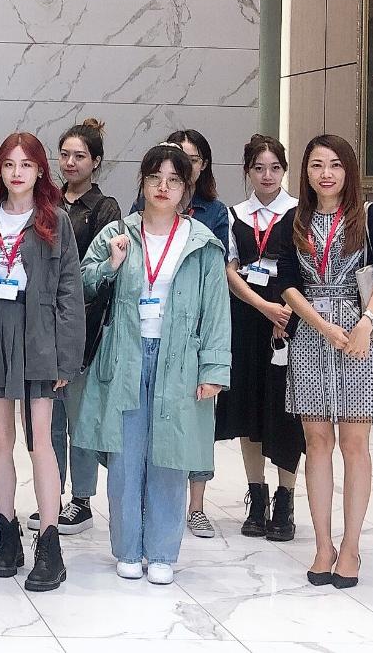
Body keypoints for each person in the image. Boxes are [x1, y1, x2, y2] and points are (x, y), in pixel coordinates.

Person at [75, 143, 230, 585]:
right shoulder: (118, 232)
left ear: (186, 188)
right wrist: (111, 263)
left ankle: (162, 551)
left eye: (174, 180)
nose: (163, 187)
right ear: (142, 182)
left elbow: (216, 311)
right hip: (125, 354)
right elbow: (82, 283)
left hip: (179, 359)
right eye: (154, 178)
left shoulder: (202, 242)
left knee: (171, 455)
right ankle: (127, 548)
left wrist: (214, 370)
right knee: (125, 456)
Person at [276, 134, 373, 589]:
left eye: (334, 165)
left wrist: (366, 323)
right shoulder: (294, 219)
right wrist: (320, 325)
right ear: (305, 172)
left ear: (348, 170)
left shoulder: (368, 215)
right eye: (316, 165)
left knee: (354, 443)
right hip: (311, 336)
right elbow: (287, 282)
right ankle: (323, 545)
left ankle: (351, 546)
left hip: (358, 335)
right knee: (316, 441)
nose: (325, 173)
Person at [0, 132, 84, 593]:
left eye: (26, 165)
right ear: (0, 170)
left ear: (39, 172)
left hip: (40, 339)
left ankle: (49, 544)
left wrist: (65, 359)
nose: (17, 173)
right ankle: (7, 534)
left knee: (42, 443)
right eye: (9, 164)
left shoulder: (56, 220)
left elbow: (70, 292)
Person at [32, 118, 123, 536]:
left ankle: (82, 499)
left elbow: (104, 271)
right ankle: (51, 495)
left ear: (96, 161)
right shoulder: (46, 202)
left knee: (79, 416)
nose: (70, 162)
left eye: (80, 156)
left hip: (85, 324)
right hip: (42, 321)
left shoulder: (105, 209)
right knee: (47, 417)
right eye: (65, 155)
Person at [217, 134, 303, 541]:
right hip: (248, 320)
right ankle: (257, 497)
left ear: (284, 170)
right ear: (248, 171)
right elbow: (230, 270)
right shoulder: (235, 215)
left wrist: (282, 311)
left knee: (286, 413)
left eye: (275, 168)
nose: (267, 175)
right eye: (258, 168)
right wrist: (262, 306)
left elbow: (304, 269)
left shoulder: (299, 212)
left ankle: (286, 500)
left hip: (290, 321)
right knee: (248, 411)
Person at [152, 128, 232, 539]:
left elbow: (214, 274)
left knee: (197, 422)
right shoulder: (145, 206)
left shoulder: (214, 212)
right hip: (153, 329)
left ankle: (196, 505)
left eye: (192, 158)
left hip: (193, 328)